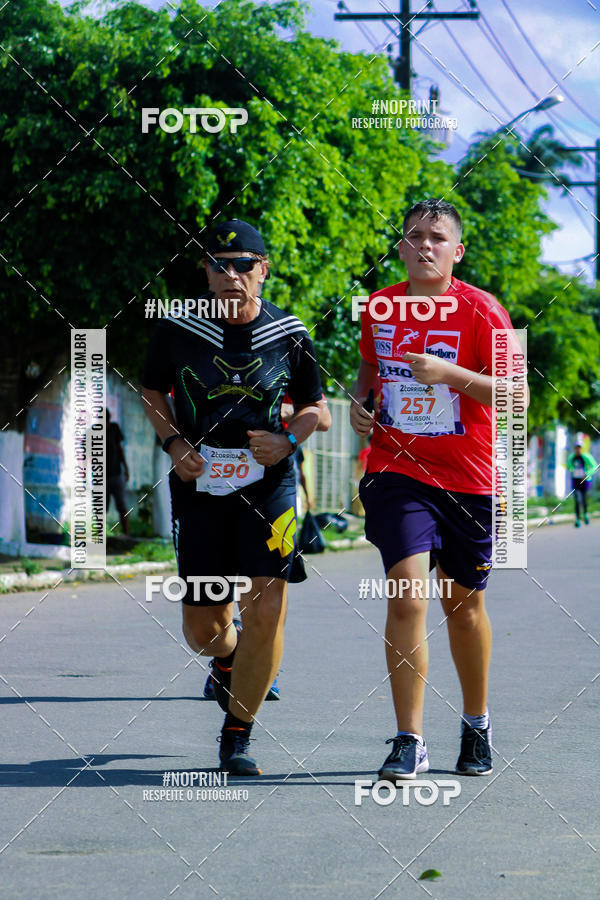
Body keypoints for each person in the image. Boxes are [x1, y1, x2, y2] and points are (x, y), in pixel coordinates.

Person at [350, 198, 527, 780]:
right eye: (414, 236)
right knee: (406, 596)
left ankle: (476, 722)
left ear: (457, 251)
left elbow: (516, 399)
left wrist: (451, 375)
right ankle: (409, 738)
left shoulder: (483, 310)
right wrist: (360, 403)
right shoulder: (378, 307)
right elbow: (370, 375)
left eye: (437, 237)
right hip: (397, 472)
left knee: (464, 607)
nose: (424, 245)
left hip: (467, 478)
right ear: (400, 246)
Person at [141, 219, 325, 776]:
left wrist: (287, 439)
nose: (231, 276)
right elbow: (151, 390)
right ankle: (227, 659)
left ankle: (238, 734)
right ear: (206, 273)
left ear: (263, 271)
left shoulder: (289, 333)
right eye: (219, 265)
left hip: (270, 484)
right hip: (199, 484)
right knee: (204, 629)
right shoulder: (178, 329)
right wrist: (173, 443)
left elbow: (316, 406)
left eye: (243, 265)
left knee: (267, 605)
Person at [106, 409, 130, 534]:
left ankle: (126, 534)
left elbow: (119, 449)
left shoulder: (114, 429)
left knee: (122, 506)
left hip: (116, 473)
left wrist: (126, 468)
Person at [566, 442, 597, 526]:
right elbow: (569, 466)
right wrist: (571, 469)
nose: (578, 449)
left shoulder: (586, 456)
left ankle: (585, 514)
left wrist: (587, 474)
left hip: (585, 480)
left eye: (579, 447)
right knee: (576, 498)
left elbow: (595, 466)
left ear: (582, 448)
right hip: (575, 480)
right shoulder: (572, 457)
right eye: (576, 447)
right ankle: (577, 518)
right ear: (574, 448)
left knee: (584, 498)